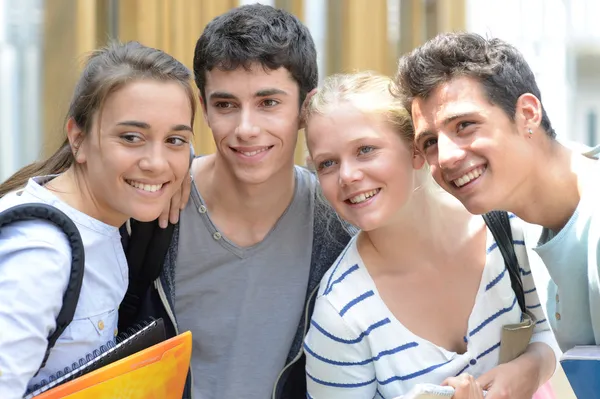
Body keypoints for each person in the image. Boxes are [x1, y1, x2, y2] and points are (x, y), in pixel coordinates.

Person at [126, 4, 353, 399]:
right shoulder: (151, 210)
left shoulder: (340, 225)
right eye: (226, 105)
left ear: (305, 108)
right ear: (204, 109)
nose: (247, 129)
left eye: (269, 103)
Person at [302, 72, 558, 399]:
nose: (348, 176)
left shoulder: (506, 228)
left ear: (415, 150)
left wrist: (529, 369)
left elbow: (548, 332)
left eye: (365, 149)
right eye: (327, 164)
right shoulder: (340, 313)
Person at [0, 41, 195, 398]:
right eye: (131, 137)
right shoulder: (41, 254)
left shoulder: (103, 217)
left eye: (175, 139)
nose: (157, 162)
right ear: (78, 139)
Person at [395, 32, 600, 353]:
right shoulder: (516, 217)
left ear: (528, 114)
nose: (446, 157)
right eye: (430, 142)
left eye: (464, 125)